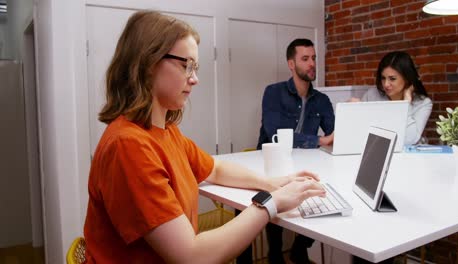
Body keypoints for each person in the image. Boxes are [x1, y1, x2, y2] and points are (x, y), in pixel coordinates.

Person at [83, 11, 326, 264]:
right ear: (147, 63)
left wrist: (273, 183)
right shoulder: (128, 145)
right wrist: (271, 203)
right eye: (186, 65)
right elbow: (191, 256)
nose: (195, 79)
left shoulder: (166, 132)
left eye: (195, 67)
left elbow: (215, 168)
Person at [250, 39, 334, 264]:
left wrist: (350, 117)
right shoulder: (274, 92)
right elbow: (274, 131)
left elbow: (334, 133)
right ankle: (275, 254)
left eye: (314, 58)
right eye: (305, 59)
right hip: (271, 163)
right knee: (271, 195)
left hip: (304, 163)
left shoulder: (322, 100)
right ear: (291, 64)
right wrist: (320, 140)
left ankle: (300, 247)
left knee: (326, 191)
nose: (312, 64)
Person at [350, 51, 433, 145]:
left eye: (392, 79)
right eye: (383, 78)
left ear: (407, 78)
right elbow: (359, 132)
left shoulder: (423, 103)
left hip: (407, 156)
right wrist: (352, 112)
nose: (386, 84)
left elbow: (410, 140)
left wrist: (406, 103)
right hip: (376, 151)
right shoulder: (372, 95)